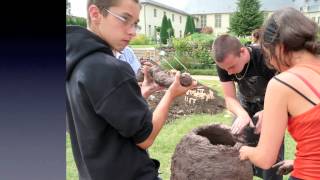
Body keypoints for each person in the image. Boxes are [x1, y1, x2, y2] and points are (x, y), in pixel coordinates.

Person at [66, 0, 196, 180]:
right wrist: (171, 94)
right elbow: (146, 138)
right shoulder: (110, 68)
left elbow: (104, 115)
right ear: (95, 14)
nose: (132, 32)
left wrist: (143, 92)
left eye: (135, 23)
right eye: (124, 19)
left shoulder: (75, 64)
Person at [239, 7, 320, 180]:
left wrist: (243, 150)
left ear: (280, 47)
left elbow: (265, 158)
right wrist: (299, 160)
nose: (272, 65)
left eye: (269, 57)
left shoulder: (281, 84)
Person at [212, 34, 283, 180]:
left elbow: (286, 92)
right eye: (226, 69)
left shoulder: (266, 58)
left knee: (271, 159)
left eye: (232, 67)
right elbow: (230, 98)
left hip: (273, 104)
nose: (229, 72)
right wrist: (242, 114)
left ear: (243, 52)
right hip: (245, 103)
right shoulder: (225, 65)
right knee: (237, 150)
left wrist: (269, 112)